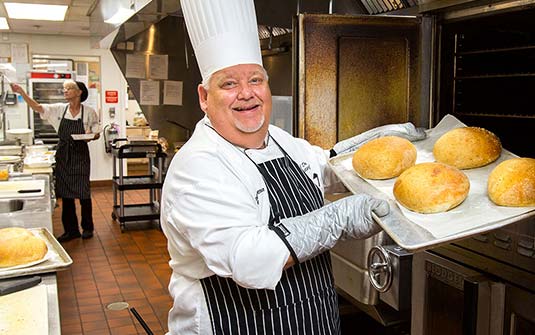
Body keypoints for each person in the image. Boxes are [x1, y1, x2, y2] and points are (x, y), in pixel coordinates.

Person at [160, 0, 426, 334]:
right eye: (229, 84)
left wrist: (371, 144)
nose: (246, 94)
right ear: (203, 96)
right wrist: (338, 219)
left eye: (255, 80)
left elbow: (325, 166)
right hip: (234, 323)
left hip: (312, 317)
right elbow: (249, 260)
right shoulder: (197, 166)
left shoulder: (278, 138)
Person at [11, 80, 101, 242]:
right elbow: (37, 107)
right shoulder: (59, 109)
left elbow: (96, 132)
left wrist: (91, 135)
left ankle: (88, 227)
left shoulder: (89, 112)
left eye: (69, 88)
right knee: (66, 194)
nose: (65, 91)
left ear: (79, 92)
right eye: (64, 89)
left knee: (84, 193)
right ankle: (71, 230)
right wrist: (22, 93)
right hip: (63, 154)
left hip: (80, 155)